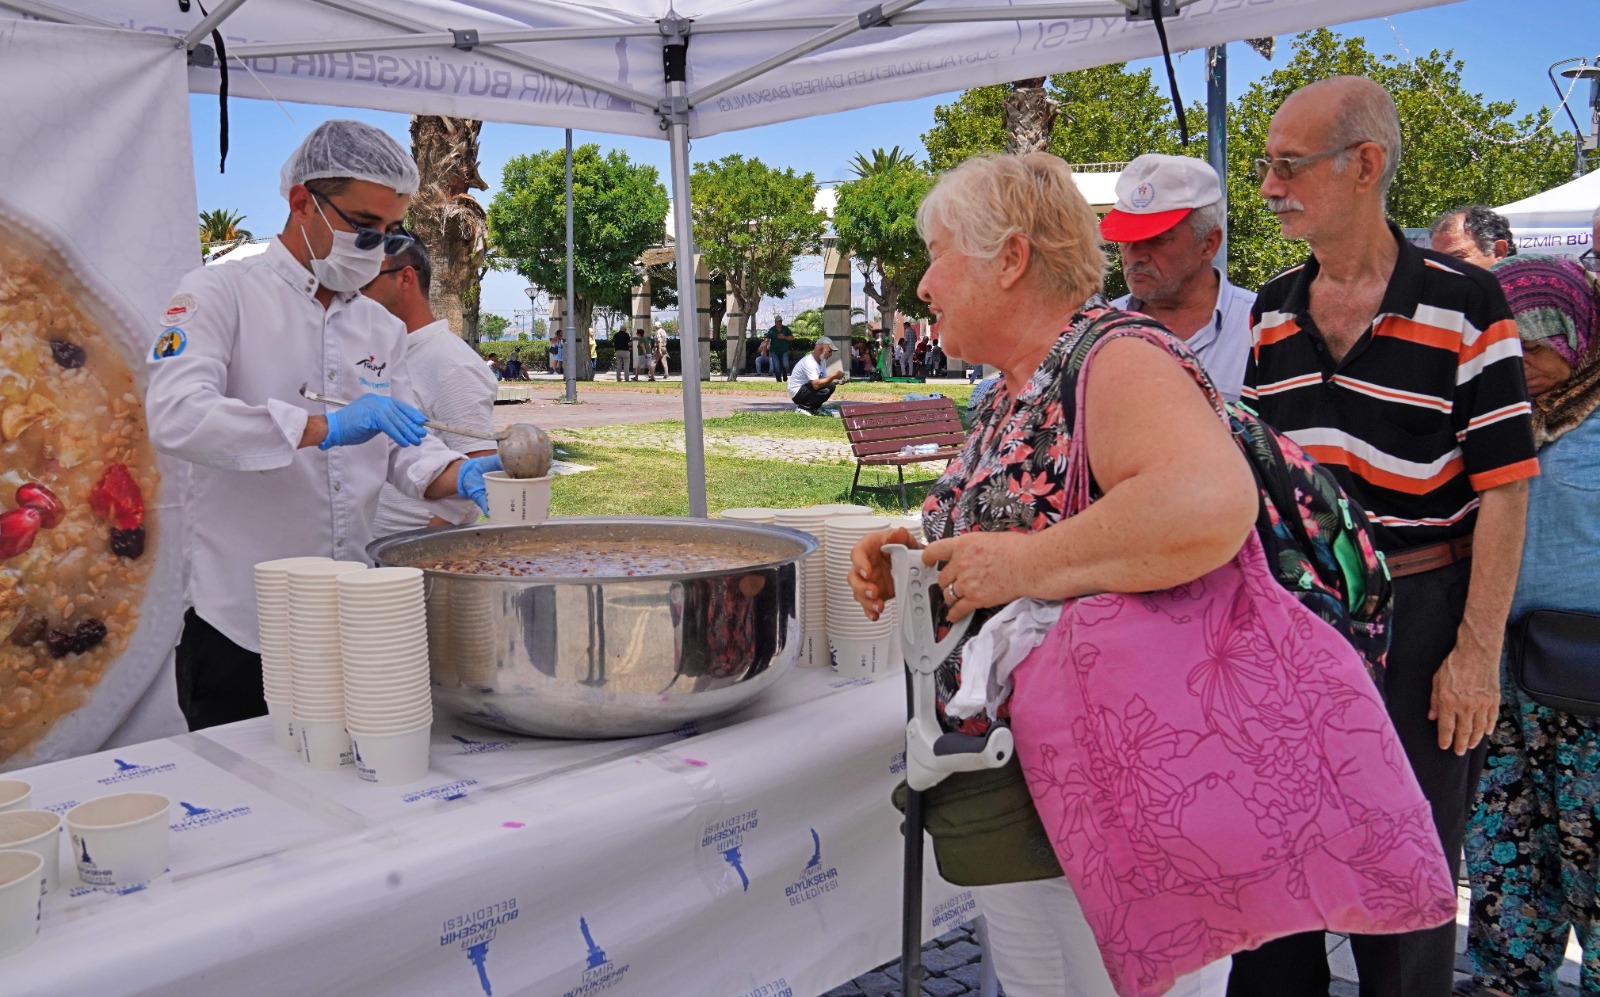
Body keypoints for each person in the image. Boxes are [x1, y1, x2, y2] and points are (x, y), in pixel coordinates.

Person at [848, 152, 1255, 997]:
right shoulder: (1013, 387)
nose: (924, 284)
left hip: (1131, 794)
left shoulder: (1117, 356)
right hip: (1043, 788)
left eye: (937, 253)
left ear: (1010, 257)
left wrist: (1018, 562)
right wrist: (914, 557)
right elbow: (1020, 527)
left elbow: (1210, 503)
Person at [1228, 76, 1537, 997]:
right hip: (1295, 616)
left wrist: (1476, 653)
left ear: (1365, 166)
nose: (1269, 185)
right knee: (1276, 871)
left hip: (1422, 615)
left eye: (1288, 165)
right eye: (1264, 164)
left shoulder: (1468, 301)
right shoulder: (1274, 307)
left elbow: (1508, 491)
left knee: (1402, 879)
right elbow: (1257, 477)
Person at [145, 119, 500, 732]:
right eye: (364, 227)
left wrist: (458, 473)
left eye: (390, 233)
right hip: (241, 624)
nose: (376, 246)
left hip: (350, 616)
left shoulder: (381, 328)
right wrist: (321, 428)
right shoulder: (219, 293)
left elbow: (402, 447)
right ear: (301, 201)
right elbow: (178, 416)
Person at [1463, 256, 1600, 996]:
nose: (1528, 366)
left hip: (1593, 693)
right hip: (1500, 684)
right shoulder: (1484, 426)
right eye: (1512, 348)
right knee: (1505, 856)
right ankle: (1504, 979)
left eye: (1543, 347)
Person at [361, 234, 498, 537]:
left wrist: (414, 553)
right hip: (369, 556)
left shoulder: (452, 363)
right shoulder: (387, 354)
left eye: (365, 281)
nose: (355, 294)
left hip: (407, 566)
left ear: (405, 278)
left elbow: (477, 481)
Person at [1101, 153, 1256, 402]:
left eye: (1157, 239)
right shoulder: (1097, 328)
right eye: (1126, 237)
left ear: (1209, 244)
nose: (1135, 254)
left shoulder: (1264, 328)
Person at [1429, 205, 1516, 271]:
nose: (1443, 270)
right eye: (1437, 262)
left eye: (1456, 258)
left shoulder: (1525, 293)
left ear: (1498, 252)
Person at [787, 336, 845, 415]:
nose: (830, 354)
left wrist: (840, 381)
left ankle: (813, 409)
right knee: (825, 390)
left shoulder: (822, 361)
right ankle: (803, 409)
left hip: (806, 389)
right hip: (797, 393)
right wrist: (833, 376)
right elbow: (816, 385)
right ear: (821, 349)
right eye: (830, 351)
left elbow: (825, 380)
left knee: (830, 386)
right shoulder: (809, 362)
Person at [765, 315, 793, 380]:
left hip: (784, 351)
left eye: (780, 321)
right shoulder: (772, 330)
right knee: (776, 367)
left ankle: (785, 375)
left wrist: (784, 337)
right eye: (778, 321)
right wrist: (765, 347)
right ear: (775, 322)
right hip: (774, 351)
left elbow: (792, 338)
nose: (779, 323)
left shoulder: (786, 329)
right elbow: (767, 338)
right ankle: (779, 381)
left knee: (785, 365)